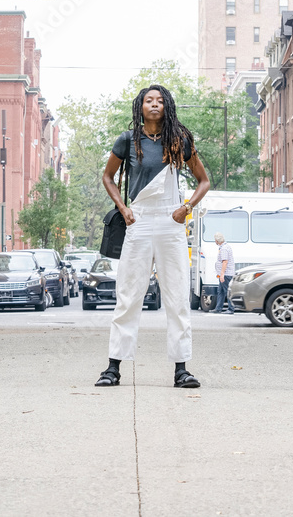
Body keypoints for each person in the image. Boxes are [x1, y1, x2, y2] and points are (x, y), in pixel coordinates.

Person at [95, 84, 210, 389]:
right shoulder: (128, 141)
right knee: (129, 294)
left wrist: (186, 207)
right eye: (149, 100)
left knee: (177, 296)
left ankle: (182, 369)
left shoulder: (179, 140)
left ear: (167, 106)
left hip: (172, 222)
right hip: (140, 220)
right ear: (141, 106)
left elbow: (204, 181)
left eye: (160, 101)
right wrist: (122, 208)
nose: (155, 104)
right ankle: (113, 368)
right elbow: (107, 176)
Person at [212, 232, 236, 314]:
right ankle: (218, 308)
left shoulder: (224, 249)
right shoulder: (224, 247)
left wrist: (222, 274)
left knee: (227, 291)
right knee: (221, 291)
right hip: (224, 274)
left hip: (226, 274)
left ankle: (231, 308)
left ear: (217, 240)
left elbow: (225, 262)